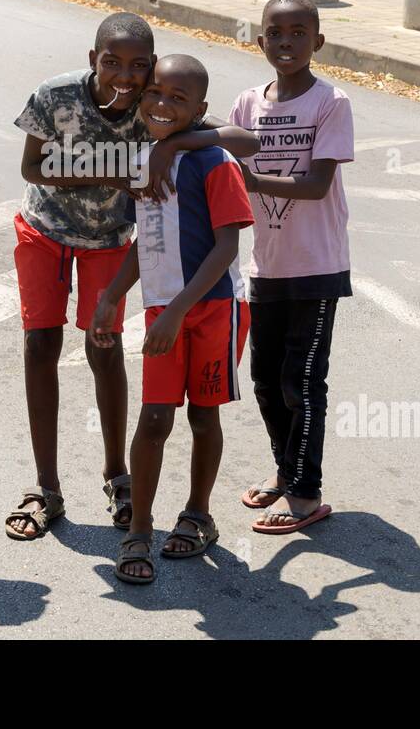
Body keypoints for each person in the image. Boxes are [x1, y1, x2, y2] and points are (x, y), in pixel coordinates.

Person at [4, 13, 259, 542]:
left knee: (105, 347)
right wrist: (115, 175)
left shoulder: (154, 105)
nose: (125, 75)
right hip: (46, 229)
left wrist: (171, 147)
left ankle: (117, 474)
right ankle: (46, 486)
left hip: (113, 240)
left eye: (138, 66)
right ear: (92, 57)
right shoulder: (56, 96)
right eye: (111, 62)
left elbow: (239, 140)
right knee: (40, 346)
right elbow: (32, 168)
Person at [90, 55, 254, 585]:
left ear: (200, 109)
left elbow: (227, 246)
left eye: (177, 99)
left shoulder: (216, 163)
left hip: (214, 309)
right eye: (154, 93)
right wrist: (112, 296)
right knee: (155, 419)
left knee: (204, 418)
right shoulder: (148, 161)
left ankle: (198, 513)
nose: (161, 104)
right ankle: (139, 530)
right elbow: (148, 236)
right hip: (164, 308)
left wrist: (179, 311)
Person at [228, 0, 354, 535]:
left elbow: (319, 182)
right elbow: (219, 155)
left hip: (317, 268)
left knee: (301, 383)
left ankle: (305, 496)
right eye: (276, 34)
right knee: (263, 380)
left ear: (317, 42)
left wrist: (254, 181)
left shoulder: (330, 102)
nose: (286, 43)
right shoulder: (246, 105)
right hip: (266, 267)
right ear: (260, 42)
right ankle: (286, 469)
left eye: (298, 33)